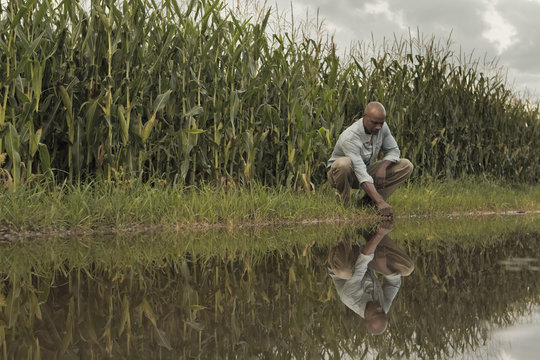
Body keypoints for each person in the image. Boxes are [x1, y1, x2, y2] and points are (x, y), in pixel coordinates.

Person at [327, 101, 413, 217]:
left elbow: (394, 150)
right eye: (374, 123)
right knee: (344, 164)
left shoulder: (382, 127)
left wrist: (383, 167)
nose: (378, 127)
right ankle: (345, 207)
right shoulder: (350, 137)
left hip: (364, 170)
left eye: (381, 123)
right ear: (364, 117)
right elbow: (360, 171)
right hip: (340, 174)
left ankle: (368, 204)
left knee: (406, 165)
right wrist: (381, 201)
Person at [328, 221, 414, 335]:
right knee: (407, 269)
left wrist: (380, 235)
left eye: (377, 313)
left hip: (344, 261)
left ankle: (345, 226)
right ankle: (368, 230)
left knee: (345, 271)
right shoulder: (383, 308)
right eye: (383, 313)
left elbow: (359, 269)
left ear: (366, 317)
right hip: (366, 262)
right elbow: (394, 284)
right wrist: (383, 267)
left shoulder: (351, 298)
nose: (380, 309)